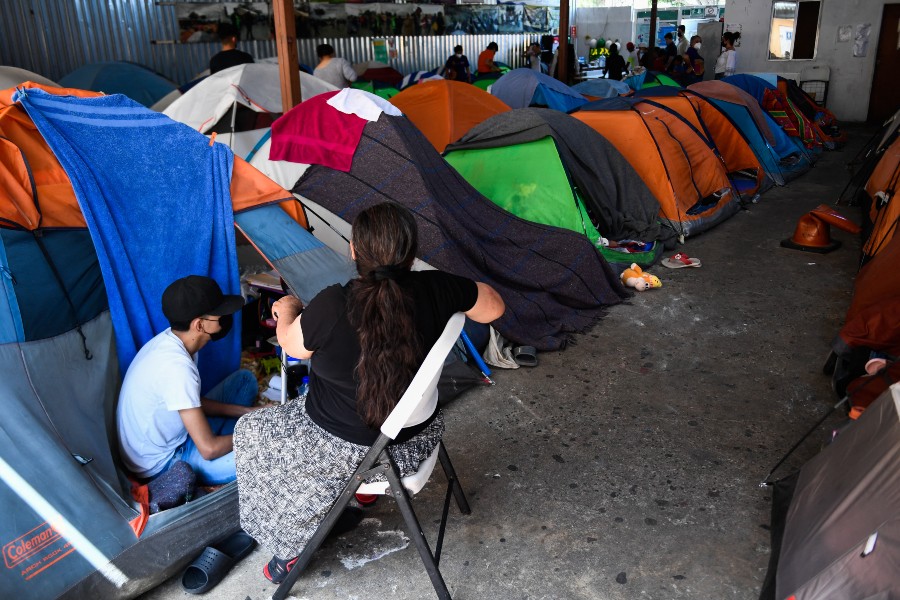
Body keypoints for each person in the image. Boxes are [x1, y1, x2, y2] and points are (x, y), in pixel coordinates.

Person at [233, 203, 505, 584]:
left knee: (252, 432)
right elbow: (493, 309)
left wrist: (288, 309)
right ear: (411, 254)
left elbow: (291, 346)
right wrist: (452, 290)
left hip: (351, 450)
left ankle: (294, 544)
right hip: (417, 438)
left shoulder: (331, 305)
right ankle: (360, 495)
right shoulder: (439, 289)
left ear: (353, 251)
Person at [117, 276, 259, 485]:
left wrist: (247, 413)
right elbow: (208, 449)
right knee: (261, 456)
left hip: (177, 434)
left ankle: (231, 431)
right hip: (163, 464)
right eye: (219, 316)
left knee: (244, 381)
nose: (225, 318)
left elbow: (191, 399)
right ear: (199, 325)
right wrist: (257, 431)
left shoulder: (176, 341)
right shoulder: (178, 368)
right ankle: (235, 436)